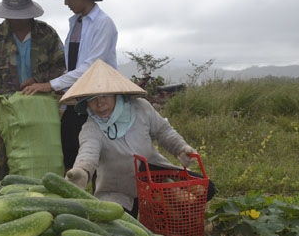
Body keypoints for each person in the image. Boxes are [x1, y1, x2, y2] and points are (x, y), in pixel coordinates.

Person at [62, 59, 217, 217]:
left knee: (206, 188)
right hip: (118, 189)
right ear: (85, 104)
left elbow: (163, 131)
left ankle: (158, 207)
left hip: (154, 172)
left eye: (104, 96)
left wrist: (181, 148)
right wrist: (82, 171)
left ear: (116, 93)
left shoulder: (141, 107)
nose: (99, 104)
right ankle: (150, 209)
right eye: (91, 99)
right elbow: (88, 152)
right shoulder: (91, 127)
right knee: (122, 225)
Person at [0, 0, 65, 194]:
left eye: (21, 14)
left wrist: (38, 80)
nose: (17, 19)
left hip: (41, 109)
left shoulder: (47, 34)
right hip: (6, 109)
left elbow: (61, 68)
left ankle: (46, 201)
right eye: (12, 15)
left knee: (46, 159)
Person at [22, 0, 118, 171]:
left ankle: (99, 198)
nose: (66, 2)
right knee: (70, 152)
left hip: (99, 100)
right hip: (76, 99)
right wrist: (46, 81)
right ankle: (74, 197)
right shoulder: (76, 24)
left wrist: (49, 85)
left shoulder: (103, 24)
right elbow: (71, 66)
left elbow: (91, 67)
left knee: (99, 159)